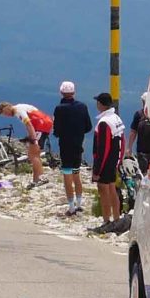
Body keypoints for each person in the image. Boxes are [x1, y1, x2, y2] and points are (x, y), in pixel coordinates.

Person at [51, 82, 92, 217]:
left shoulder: (59, 109)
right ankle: (79, 203)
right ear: (74, 93)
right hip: (78, 144)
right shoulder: (82, 106)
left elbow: (56, 131)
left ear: (61, 93)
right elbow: (88, 127)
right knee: (76, 173)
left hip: (65, 145)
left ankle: (71, 206)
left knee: (67, 174)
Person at [88, 93, 125, 234]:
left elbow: (103, 148)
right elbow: (123, 140)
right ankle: (116, 220)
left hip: (105, 160)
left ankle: (106, 221)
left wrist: (97, 170)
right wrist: (118, 161)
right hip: (114, 159)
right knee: (112, 188)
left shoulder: (104, 122)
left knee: (103, 190)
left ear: (101, 104)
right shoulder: (116, 118)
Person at [0, 100, 51, 186]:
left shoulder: (18, 110)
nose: (6, 115)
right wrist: (29, 137)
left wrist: (33, 139)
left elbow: (29, 124)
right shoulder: (20, 107)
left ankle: (41, 178)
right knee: (35, 154)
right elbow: (29, 123)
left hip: (40, 126)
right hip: (44, 124)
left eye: (4, 112)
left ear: (7, 107)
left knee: (33, 154)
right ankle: (36, 180)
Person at [130, 99, 150, 171]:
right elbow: (133, 131)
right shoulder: (139, 115)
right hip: (142, 152)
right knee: (143, 172)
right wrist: (129, 148)